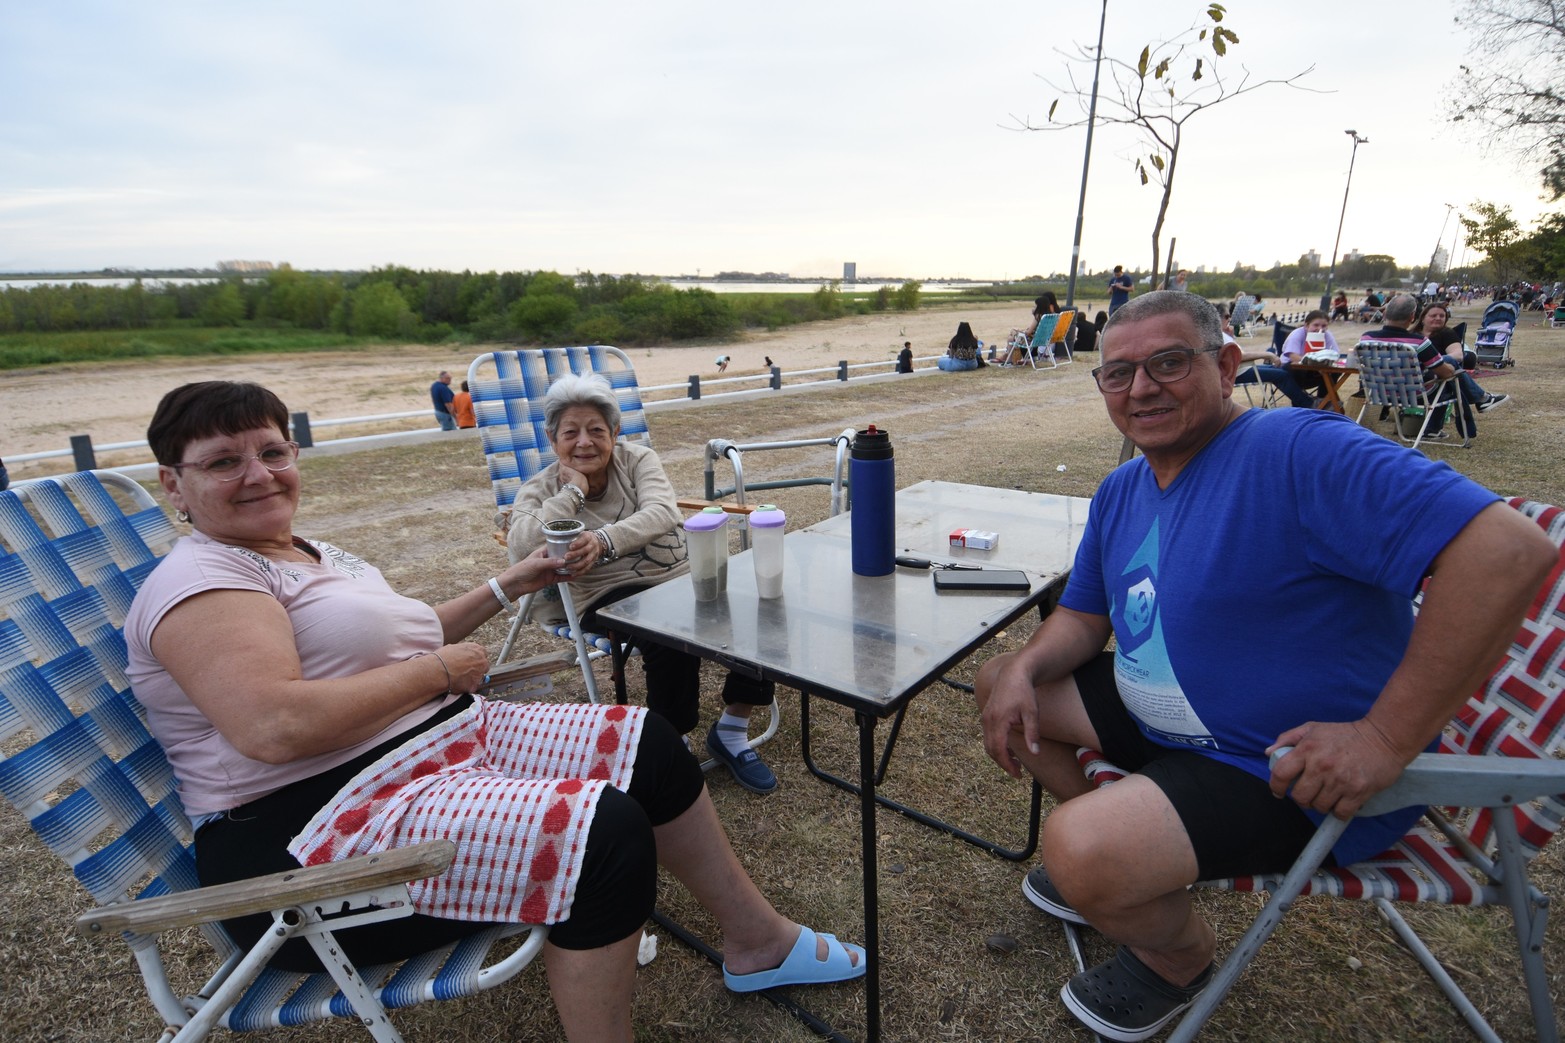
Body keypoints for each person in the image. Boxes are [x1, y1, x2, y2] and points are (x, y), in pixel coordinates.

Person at [126, 381, 863, 1043]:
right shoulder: (204, 578)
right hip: (311, 836)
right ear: (174, 484)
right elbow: (274, 726)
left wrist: (508, 584)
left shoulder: (304, 552)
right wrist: (441, 672)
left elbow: (403, 636)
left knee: (647, 743)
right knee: (603, 838)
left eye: (272, 450)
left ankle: (757, 940)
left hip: (426, 753)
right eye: (224, 461)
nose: (258, 473)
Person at [974, 291, 1555, 1042]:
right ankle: (1135, 863)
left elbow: (1508, 551)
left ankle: (1176, 954)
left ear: (1224, 365)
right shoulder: (1122, 487)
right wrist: (1024, 668)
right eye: (1117, 373)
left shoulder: (1295, 448)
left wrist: (1381, 740)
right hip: (1171, 715)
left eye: (1168, 362)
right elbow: (1085, 619)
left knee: (1079, 847)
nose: (1141, 387)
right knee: (1002, 686)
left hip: (1281, 765)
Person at [505, 374, 781, 794]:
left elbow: (662, 511)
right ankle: (674, 743)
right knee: (669, 631)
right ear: (551, 438)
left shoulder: (636, 460)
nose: (584, 442)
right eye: (570, 433)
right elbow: (523, 542)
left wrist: (602, 540)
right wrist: (573, 493)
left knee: (762, 604)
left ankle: (731, 731)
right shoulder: (540, 489)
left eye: (596, 430)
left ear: (614, 432)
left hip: (679, 575)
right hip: (604, 596)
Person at [1360, 294, 1470, 440]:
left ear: (1385, 313)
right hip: (1415, 395)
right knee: (1448, 384)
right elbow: (1444, 373)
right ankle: (1432, 430)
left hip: (1378, 393)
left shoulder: (1367, 338)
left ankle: (1482, 399)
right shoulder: (1419, 342)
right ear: (1412, 316)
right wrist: (1452, 368)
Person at [1416, 301, 1508, 415]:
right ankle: (1483, 399)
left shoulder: (1447, 334)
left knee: (1449, 363)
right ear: (1423, 318)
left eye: (1442, 316)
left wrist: (1430, 361)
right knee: (1450, 367)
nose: (1438, 318)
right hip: (1410, 378)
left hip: (1430, 376)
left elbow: (1458, 355)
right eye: (1433, 316)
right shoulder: (1412, 334)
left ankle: (1483, 399)